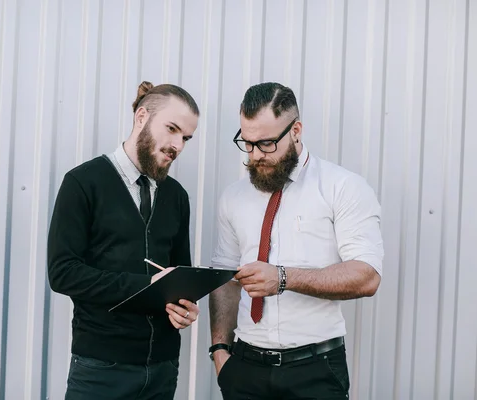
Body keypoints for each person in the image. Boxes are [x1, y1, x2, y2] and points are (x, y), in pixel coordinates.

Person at [208, 82, 384, 399]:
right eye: (246, 143)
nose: (255, 155)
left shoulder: (342, 188)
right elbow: (225, 278)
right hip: (244, 369)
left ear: (296, 130)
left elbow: (367, 275)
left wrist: (283, 278)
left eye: (266, 143)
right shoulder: (233, 197)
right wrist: (220, 349)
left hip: (315, 371)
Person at [47, 81, 201, 400]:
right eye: (171, 129)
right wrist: (145, 286)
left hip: (162, 369)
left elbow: (179, 277)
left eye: (186, 137)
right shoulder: (82, 183)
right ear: (141, 117)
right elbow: (62, 273)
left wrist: (185, 307)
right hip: (100, 370)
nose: (178, 145)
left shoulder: (177, 196)